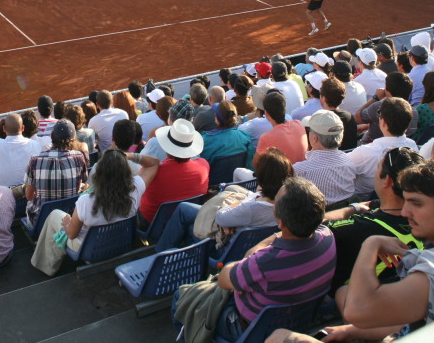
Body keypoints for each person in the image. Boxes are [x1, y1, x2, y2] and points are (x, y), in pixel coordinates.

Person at [315, 159, 434, 342]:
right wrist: (351, 331)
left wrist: (370, 245)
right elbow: (419, 317)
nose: (406, 212)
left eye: (417, 203)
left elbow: (356, 310)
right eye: (406, 202)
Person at [173, 177, 336, 341]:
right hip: (300, 320)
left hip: (251, 329)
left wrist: (249, 257)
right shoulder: (328, 237)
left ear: (282, 222)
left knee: (181, 296)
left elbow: (223, 280)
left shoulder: (264, 263)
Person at [31, 149, 151, 276]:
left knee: (55, 214)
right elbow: (154, 163)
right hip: (121, 243)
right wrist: (128, 156)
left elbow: (71, 235)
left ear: (100, 172)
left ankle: (46, 266)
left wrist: (67, 224)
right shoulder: (136, 188)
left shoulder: (85, 200)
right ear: (126, 171)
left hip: (90, 249)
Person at [325, 147, 425, 294]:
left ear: (388, 181)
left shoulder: (358, 228)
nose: (375, 173)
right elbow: (372, 204)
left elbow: (312, 225)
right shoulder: (426, 220)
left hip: (348, 298)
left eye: (377, 169)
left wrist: (352, 208)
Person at [152, 148, 292, 253]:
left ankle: (161, 254)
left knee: (186, 217)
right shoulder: (285, 203)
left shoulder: (250, 209)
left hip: (225, 249)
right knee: (185, 211)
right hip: (242, 237)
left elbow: (221, 217)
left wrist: (232, 208)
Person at [139, 119, 210, 225]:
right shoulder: (203, 166)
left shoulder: (152, 172)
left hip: (153, 224)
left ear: (166, 148)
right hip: (188, 220)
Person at [349, 97, 418, 196]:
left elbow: (341, 167)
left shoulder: (366, 152)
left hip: (363, 202)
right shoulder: (412, 146)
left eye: (379, 115)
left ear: (383, 122)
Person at [23, 120, 88, 224]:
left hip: (40, 222)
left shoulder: (34, 159)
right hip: (68, 220)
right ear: (72, 141)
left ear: (51, 135)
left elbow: (29, 196)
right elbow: (78, 187)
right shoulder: (79, 157)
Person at [294, 110, 357, 208]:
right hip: (348, 217)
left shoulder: (299, 170)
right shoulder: (350, 162)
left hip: (317, 220)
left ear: (314, 138)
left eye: (309, 130)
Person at [0, 113, 44, 189]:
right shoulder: (35, 145)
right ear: (23, 128)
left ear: (4, 129)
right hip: (28, 197)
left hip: (2, 197)